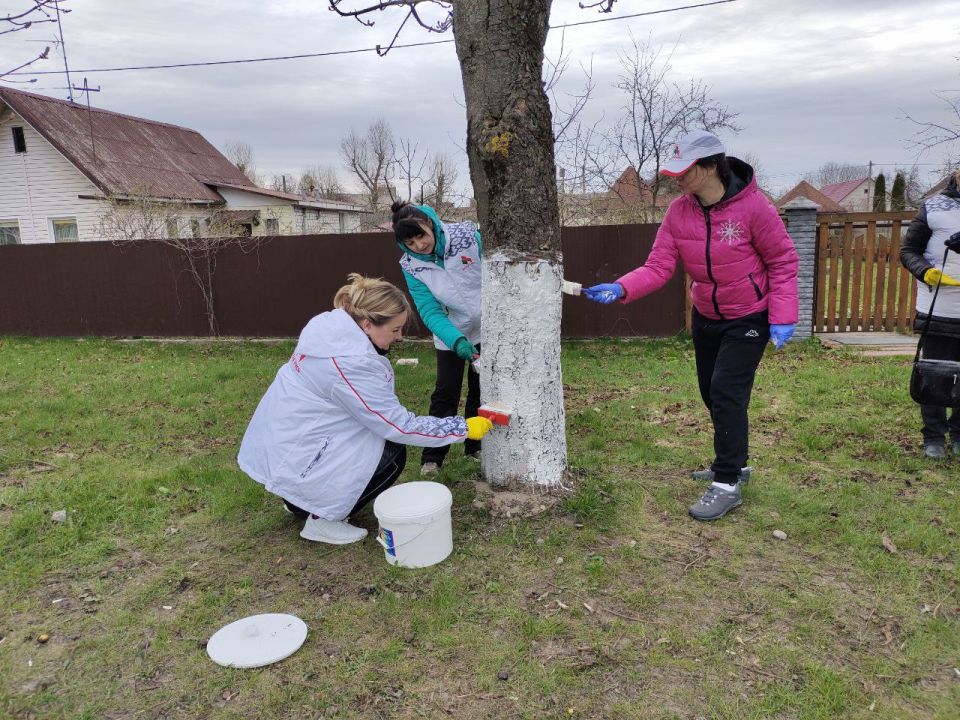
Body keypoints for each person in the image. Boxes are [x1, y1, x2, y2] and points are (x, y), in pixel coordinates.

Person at [582, 130, 799, 521]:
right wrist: (621, 287)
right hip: (707, 315)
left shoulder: (755, 208)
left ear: (711, 166)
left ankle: (727, 483)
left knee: (726, 392)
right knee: (710, 392)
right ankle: (735, 462)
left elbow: (783, 262)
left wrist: (782, 316)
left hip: (748, 315)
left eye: (684, 170)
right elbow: (658, 266)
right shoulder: (679, 212)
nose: (676, 178)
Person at [237, 274, 493, 545]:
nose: (399, 337)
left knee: (364, 437)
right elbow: (397, 425)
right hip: (300, 445)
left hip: (285, 439)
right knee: (391, 453)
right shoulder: (351, 363)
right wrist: (462, 428)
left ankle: (297, 501)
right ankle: (322, 520)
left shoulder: (329, 330)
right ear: (368, 324)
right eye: (395, 330)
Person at [391, 201, 483, 476]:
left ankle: (475, 446)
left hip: (488, 329)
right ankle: (433, 456)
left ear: (429, 223)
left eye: (420, 236)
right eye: (409, 242)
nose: (418, 245)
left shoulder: (468, 236)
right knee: (446, 393)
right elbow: (429, 310)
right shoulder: (411, 266)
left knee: (481, 389)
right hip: (450, 333)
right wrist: (456, 341)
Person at [899, 169, 960, 459]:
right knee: (935, 374)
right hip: (939, 307)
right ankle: (934, 436)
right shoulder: (933, 207)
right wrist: (926, 272)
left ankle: (959, 433)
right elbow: (908, 251)